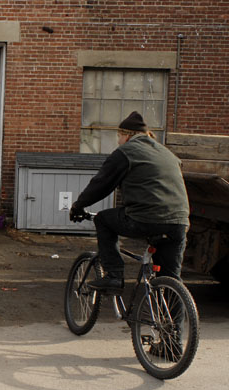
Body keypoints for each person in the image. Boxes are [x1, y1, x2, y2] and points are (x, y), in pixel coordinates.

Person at [70, 111, 190, 293]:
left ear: (126, 135)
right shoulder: (167, 153)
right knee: (171, 279)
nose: (118, 141)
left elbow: (101, 184)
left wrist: (78, 206)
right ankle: (175, 321)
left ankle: (114, 276)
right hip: (179, 222)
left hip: (146, 218)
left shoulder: (126, 152)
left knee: (103, 219)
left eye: (118, 136)